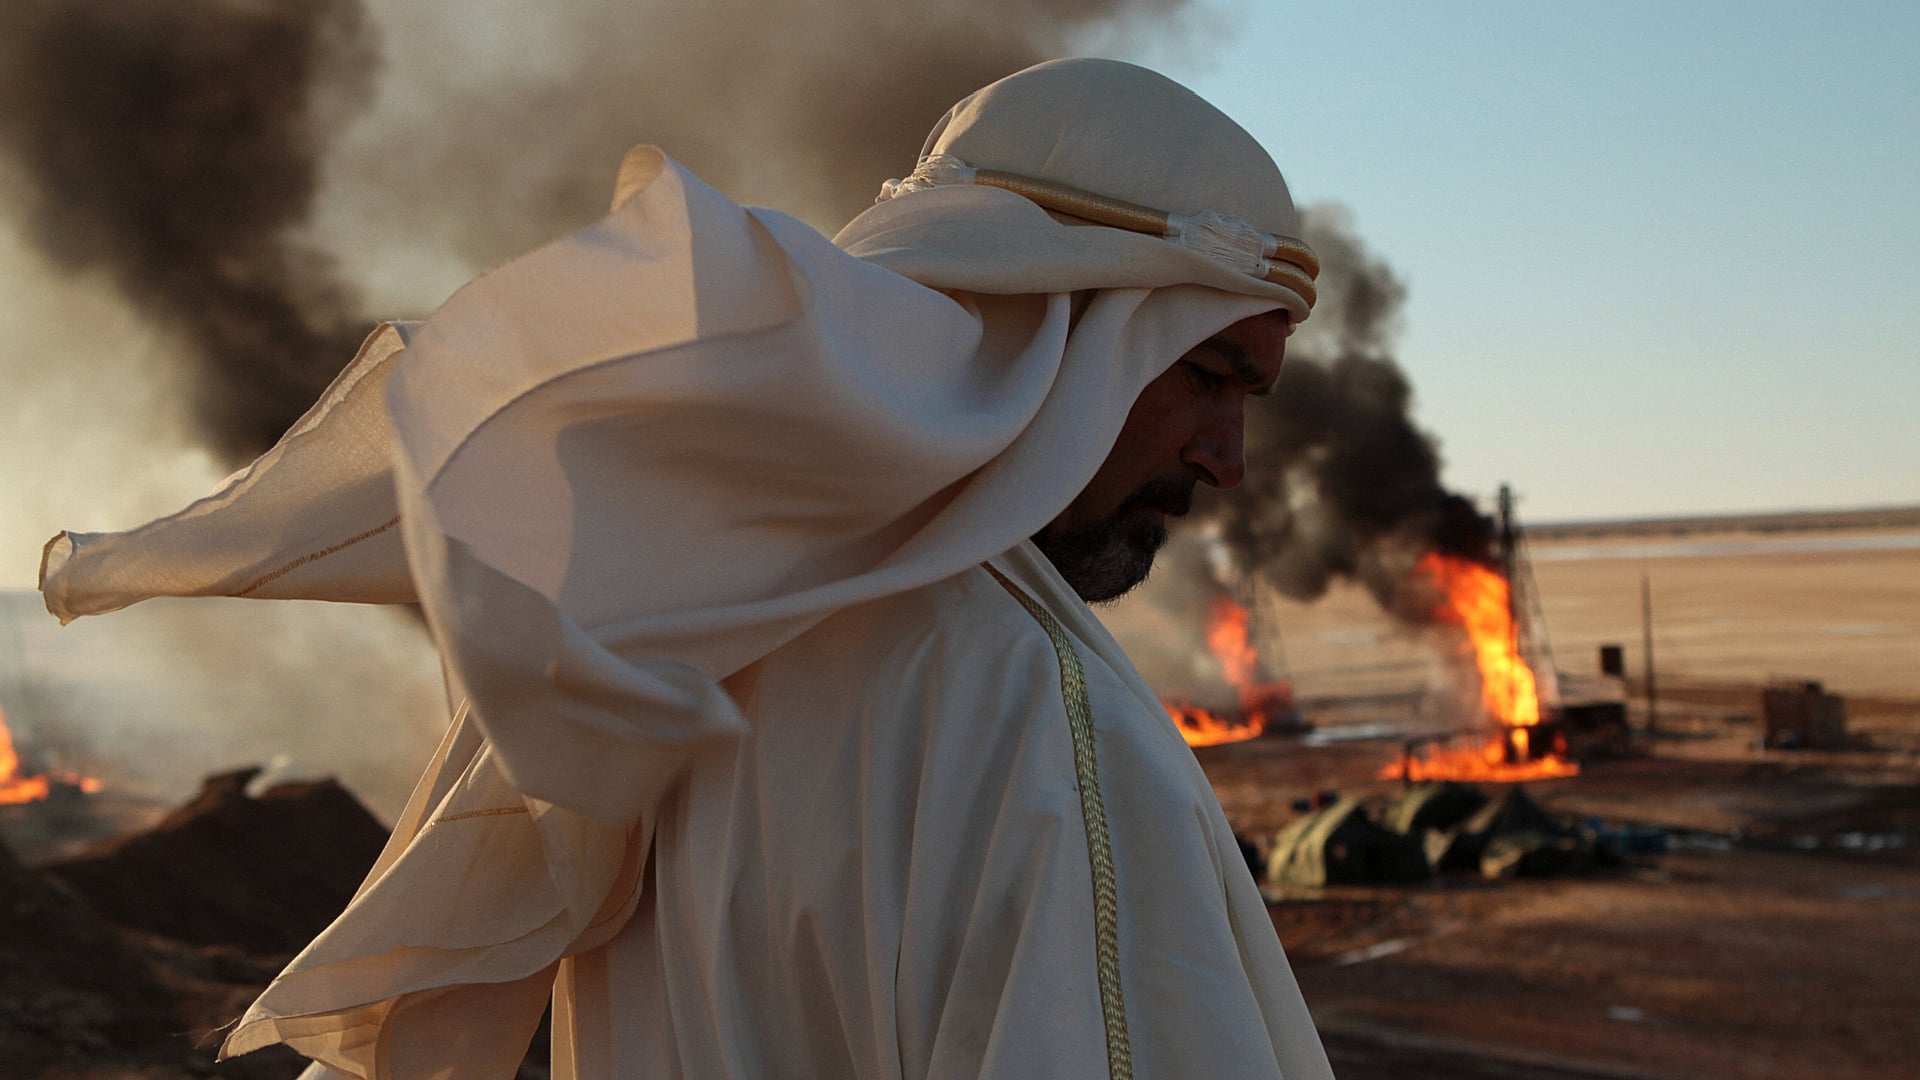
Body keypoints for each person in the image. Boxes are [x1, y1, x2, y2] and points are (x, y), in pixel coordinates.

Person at [40, 58, 1334, 1078]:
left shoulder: (670, 624)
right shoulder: (1029, 708)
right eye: (1208, 375)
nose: (1226, 459)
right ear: (1054, 322)